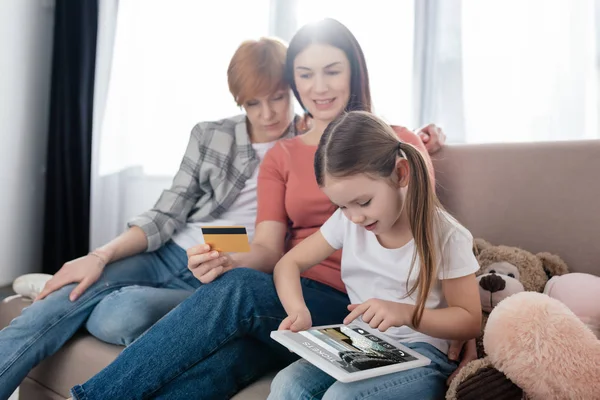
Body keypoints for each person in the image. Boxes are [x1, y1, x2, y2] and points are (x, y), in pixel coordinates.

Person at [66, 19, 454, 400]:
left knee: (238, 291)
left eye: (332, 71)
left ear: (355, 71)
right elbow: (269, 249)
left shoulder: (397, 142)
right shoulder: (281, 154)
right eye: (304, 75)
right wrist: (227, 262)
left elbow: (428, 232)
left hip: (357, 305)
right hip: (290, 299)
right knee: (218, 366)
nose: (318, 87)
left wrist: (458, 324)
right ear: (294, 82)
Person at [0, 37, 306, 400]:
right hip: (170, 250)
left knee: (119, 316)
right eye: (254, 103)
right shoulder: (211, 134)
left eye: (278, 97)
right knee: (56, 304)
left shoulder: (307, 143)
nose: (268, 114)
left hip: (221, 273)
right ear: (239, 101)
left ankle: (100, 296)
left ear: (293, 91)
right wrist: (99, 256)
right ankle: (79, 289)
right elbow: (167, 211)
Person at [268, 110, 482, 400]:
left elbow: (469, 320)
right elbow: (289, 264)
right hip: (361, 344)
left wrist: (405, 314)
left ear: (400, 173)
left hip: (424, 353)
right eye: (342, 206)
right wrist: (298, 311)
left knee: (342, 398)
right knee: (287, 383)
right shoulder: (348, 222)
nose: (354, 217)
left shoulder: (446, 235)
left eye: (363, 202)